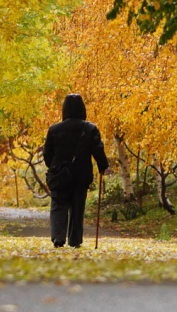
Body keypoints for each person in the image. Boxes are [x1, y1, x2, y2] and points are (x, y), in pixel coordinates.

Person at [42, 93, 109, 248]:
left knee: (58, 205)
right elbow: (98, 149)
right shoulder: (90, 128)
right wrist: (102, 165)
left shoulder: (54, 129)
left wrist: (53, 166)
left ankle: (58, 237)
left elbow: (47, 154)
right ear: (82, 109)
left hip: (59, 175)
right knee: (77, 208)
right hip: (81, 174)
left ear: (64, 109)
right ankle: (75, 240)